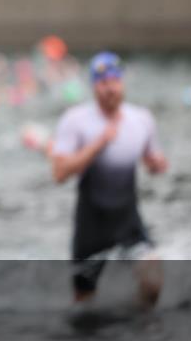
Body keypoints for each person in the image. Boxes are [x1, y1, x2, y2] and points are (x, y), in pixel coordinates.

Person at [50, 52, 168, 308]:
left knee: (153, 283)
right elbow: (59, 173)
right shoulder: (75, 120)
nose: (110, 88)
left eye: (115, 81)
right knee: (84, 304)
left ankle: (139, 334)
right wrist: (99, 143)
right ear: (94, 86)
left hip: (127, 220)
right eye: (103, 82)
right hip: (91, 224)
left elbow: (152, 159)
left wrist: (157, 165)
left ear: (122, 82)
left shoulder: (141, 119)